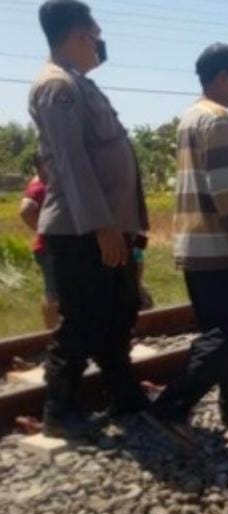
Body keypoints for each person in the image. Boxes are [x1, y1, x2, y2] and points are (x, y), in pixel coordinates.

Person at [29, 0, 150, 438]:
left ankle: (124, 395)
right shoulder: (56, 87)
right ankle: (59, 411)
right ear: (79, 35)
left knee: (119, 313)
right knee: (81, 320)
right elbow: (74, 163)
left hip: (106, 229)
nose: (99, 44)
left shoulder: (78, 84)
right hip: (80, 232)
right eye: (95, 36)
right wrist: (102, 227)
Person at [143, 43, 228, 448]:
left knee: (218, 329)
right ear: (223, 77)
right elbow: (226, 191)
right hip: (219, 246)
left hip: (193, 244)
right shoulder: (218, 120)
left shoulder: (188, 118)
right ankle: (171, 407)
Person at [19, 154, 59, 329]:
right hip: (49, 248)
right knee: (53, 294)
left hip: (51, 247)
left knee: (56, 292)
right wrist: (44, 231)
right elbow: (26, 210)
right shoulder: (39, 185)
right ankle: (52, 334)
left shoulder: (46, 181)